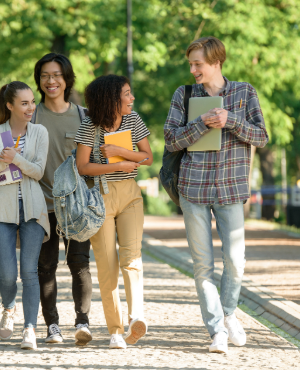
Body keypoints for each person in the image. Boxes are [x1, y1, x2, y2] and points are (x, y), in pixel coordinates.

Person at [164, 36, 268, 354]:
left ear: (216, 61)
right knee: (202, 265)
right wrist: (201, 125)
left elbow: (261, 137)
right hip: (193, 189)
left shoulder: (244, 92)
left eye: (198, 64)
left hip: (231, 189)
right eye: (191, 64)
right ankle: (216, 331)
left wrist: (230, 121)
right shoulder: (184, 94)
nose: (193, 69)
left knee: (236, 262)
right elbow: (170, 140)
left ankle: (229, 313)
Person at [75, 74, 152, 349]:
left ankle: (136, 317)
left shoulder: (133, 120)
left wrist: (121, 151)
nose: (132, 98)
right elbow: (83, 166)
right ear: (111, 99)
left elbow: (147, 157)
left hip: (130, 195)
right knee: (107, 266)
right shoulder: (89, 126)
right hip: (100, 198)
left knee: (132, 258)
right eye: (127, 94)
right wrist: (115, 166)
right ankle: (115, 330)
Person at [0, 81, 49, 350]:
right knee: (7, 274)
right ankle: (9, 308)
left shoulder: (39, 132)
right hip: (1, 209)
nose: (30, 107)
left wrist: (16, 159)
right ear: (10, 106)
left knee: (29, 271)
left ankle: (29, 328)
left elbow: (39, 171)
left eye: (32, 102)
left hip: (32, 208)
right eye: (24, 103)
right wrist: (1, 161)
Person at [31, 53, 93, 345]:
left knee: (79, 263)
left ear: (67, 79)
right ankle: (52, 325)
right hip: (41, 205)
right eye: (45, 75)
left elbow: (94, 159)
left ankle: (82, 322)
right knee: (45, 267)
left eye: (56, 75)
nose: (51, 80)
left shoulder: (83, 116)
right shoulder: (30, 116)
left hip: (76, 207)